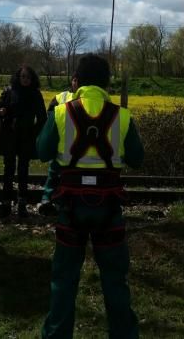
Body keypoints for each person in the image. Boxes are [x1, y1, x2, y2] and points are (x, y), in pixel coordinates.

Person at [37, 53, 144, 339]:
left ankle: (57, 335)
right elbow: (137, 158)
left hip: (71, 208)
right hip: (108, 208)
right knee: (115, 281)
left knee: (63, 280)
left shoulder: (61, 112)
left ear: (77, 80)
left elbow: (42, 151)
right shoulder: (121, 116)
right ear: (107, 82)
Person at [0, 64, 46, 217]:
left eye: (28, 77)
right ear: (18, 77)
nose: (25, 79)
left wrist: (33, 132)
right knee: (8, 169)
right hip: (10, 134)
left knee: (23, 170)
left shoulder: (36, 94)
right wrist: (0, 112)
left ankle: (22, 202)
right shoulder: (9, 91)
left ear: (32, 79)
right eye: (22, 76)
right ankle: (6, 202)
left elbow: (42, 118)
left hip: (26, 136)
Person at [38, 72, 79, 216]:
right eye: (74, 79)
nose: (76, 83)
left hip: (76, 143)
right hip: (61, 141)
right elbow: (51, 114)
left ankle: (64, 201)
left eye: (78, 80)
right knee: (54, 172)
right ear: (71, 81)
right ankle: (46, 200)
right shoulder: (61, 97)